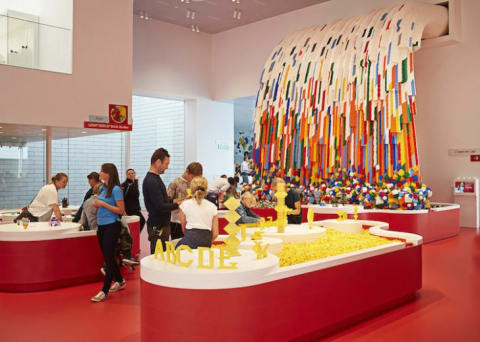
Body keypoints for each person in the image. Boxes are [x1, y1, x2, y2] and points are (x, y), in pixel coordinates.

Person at [91, 163, 126, 303]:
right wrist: (97, 203)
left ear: (108, 173)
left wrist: (102, 204)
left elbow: (121, 210)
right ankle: (120, 280)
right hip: (102, 226)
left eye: (102, 171)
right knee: (108, 256)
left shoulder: (117, 189)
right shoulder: (103, 188)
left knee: (109, 259)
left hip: (112, 225)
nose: (99, 173)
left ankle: (104, 290)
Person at [143, 148, 181, 254]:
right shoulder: (151, 181)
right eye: (166, 164)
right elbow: (160, 206)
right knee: (157, 257)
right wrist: (176, 204)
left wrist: (173, 200)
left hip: (161, 224)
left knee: (162, 255)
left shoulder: (155, 178)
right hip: (157, 225)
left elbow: (160, 199)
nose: (167, 167)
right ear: (158, 162)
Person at [176, 177, 218, 249]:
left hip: (189, 240)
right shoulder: (213, 207)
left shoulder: (184, 205)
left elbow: (184, 230)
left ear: (191, 188)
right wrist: (205, 243)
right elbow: (215, 234)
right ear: (206, 189)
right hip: (206, 242)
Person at [167, 162, 203, 240]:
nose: (193, 180)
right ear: (187, 171)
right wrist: (183, 200)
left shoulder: (196, 184)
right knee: (178, 247)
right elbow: (168, 202)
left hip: (192, 221)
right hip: (177, 222)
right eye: (192, 177)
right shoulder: (174, 183)